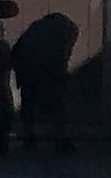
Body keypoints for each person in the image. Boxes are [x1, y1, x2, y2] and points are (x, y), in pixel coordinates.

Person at [11, 11, 80, 150]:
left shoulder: (36, 29)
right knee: (58, 105)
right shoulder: (66, 31)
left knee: (29, 104)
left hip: (29, 69)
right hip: (47, 70)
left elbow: (17, 52)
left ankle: (29, 137)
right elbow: (63, 56)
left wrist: (20, 75)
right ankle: (59, 139)